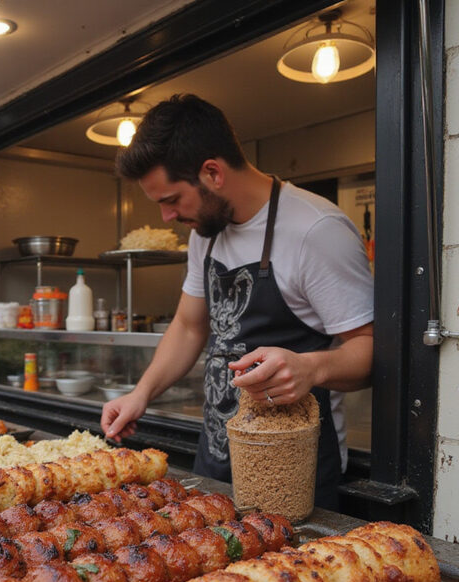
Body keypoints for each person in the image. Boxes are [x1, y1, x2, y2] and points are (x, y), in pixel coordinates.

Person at [101, 95, 374, 511]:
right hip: (216, 454)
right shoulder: (205, 232)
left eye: (171, 200)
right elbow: (189, 326)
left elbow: (371, 349)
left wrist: (311, 368)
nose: (166, 217)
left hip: (292, 467)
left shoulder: (316, 230)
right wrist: (141, 393)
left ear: (212, 172)